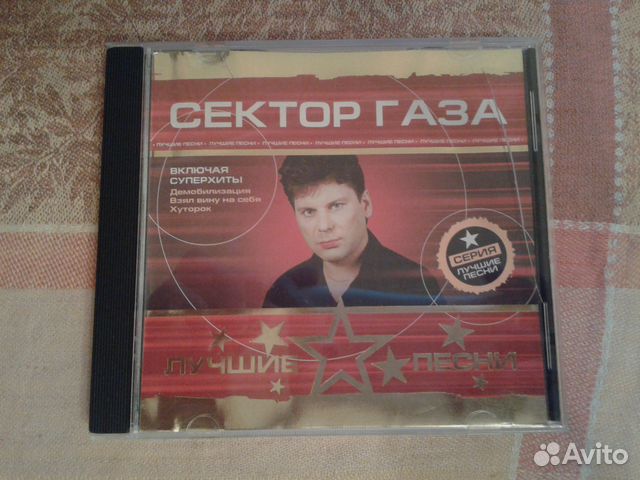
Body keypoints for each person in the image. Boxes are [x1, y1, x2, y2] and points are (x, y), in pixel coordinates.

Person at [263, 155, 440, 308]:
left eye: (336, 206)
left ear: (365, 205)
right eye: (308, 212)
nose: (324, 226)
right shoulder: (284, 291)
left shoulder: (415, 284)